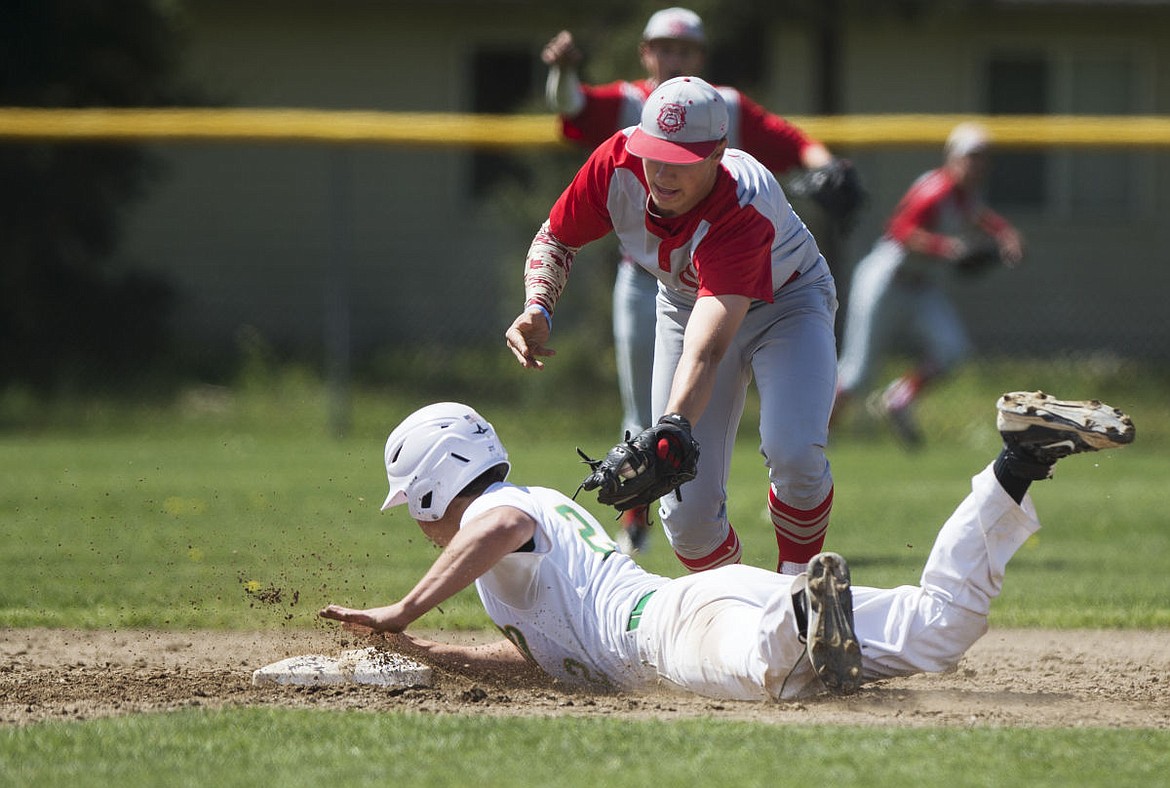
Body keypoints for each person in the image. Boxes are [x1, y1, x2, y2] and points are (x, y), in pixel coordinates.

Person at [319, 391, 1135, 701]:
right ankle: (1014, 465)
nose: (417, 525)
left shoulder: (499, 514)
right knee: (940, 629)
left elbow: (493, 528)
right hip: (704, 603)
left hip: (671, 630)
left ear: (435, 485)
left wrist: (400, 608)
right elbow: (546, 665)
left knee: (767, 674)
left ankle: (800, 627)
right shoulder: (512, 540)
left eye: (414, 506)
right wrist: (425, 650)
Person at [542, 7, 855, 553]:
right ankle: (736, 615)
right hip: (674, 293)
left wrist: (673, 428)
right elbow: (555, 236)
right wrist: (537, 306)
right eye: (652, 156)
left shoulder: (743, 199)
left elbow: (708, 350)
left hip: (787, 299)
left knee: (795, 455)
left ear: (716, 153)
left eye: (679, 160)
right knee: (685, 520)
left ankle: (798, 586)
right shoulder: (616, 155)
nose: (660, 172)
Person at [833, 122, 1025, 448]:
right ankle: (819, 431)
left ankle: (900, 398)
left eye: (983, 158)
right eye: (972, 157)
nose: (978, 165)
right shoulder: (935, 189)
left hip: (920, 286)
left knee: (952, 351)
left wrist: (1005, 233)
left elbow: (979, 215)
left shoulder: (965, 195)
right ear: (953, 158)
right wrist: (948, 247)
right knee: (858, 373)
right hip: (887, 280)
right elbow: (900, 231)